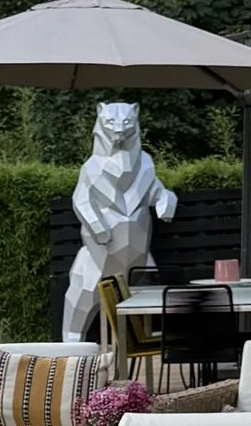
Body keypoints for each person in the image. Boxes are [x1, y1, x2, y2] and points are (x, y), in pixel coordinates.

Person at [63, 100, 177, 342]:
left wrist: (166, 202)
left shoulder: (145, 163)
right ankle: (72, 346)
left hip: (139, 258)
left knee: (152, 304)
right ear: (100, 121)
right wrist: (97, 227)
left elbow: (158, 191)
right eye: (111, 122)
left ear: (135, 119)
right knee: (81, 297)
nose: (118, 128)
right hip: (100, 258)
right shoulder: (91, 168)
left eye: (125, 122)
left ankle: (141, 348)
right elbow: (80, 200)